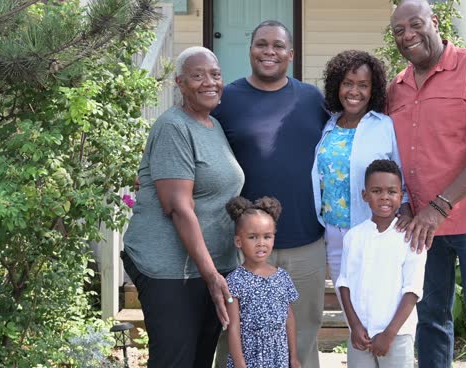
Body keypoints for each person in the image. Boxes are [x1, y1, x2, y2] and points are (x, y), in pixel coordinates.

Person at [386, 0, 466, 368]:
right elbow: (394, 153)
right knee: (430, 319)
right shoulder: (398, 87)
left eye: (414, 24)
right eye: (398, 31)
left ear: (435, 21)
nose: (407, 35)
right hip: (422, 229)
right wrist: (408, 207)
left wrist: (439, 207)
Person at [211, 20, 328, 368]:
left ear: (290, 55)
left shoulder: (311, 99)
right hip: (244, 245)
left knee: (303, 334)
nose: (269, 52)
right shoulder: (227, 99)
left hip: (305, 240)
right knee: (234, 332)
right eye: (261, 44)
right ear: (250, 50)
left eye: (278, 46)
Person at [121, 47, 244, 367]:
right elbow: (177, 206)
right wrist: (211, 275)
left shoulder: (212, 126)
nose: (209, 82)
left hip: (209, 267)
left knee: (200, 359)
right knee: (175, 360)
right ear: (180, 83)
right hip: (170, 269)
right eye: (197, 75)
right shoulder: (173, 126)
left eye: (215, 75)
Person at [311, 50, 409, 285]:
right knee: (347, 304)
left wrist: (405, 211)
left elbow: (400, 175)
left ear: (372, 90)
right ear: (337, 86)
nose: (354, 92)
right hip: (333, 233)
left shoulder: (384, 126)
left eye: (363, 85)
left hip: (374, 229)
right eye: (347, 84)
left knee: (374, 302)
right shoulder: (329, 125)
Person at [337, 159, 426, 368]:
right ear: (365, 195)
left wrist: (389, 334)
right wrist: (355, 327)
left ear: (400, 196)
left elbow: (412, 290)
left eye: (392, 191)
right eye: (376, 191)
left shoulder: (411, 237)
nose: (384, 197)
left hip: (396, 335)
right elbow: (344, 284)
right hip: (361, 336)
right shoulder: (354, 237)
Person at [224, 196, 300, 368]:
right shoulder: (234, 280)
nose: (261, 243)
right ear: (238, 241)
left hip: (279, 357)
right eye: (253, 237)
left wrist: (293, 357)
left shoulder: (282, 277)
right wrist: (239, 363)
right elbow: (233, 326)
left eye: (267, 237)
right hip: (250, 358)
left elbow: (289, 319)